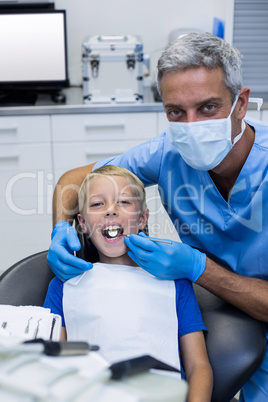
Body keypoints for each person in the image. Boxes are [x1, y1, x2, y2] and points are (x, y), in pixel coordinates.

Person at [47, 32, 268, 401]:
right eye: (176, 113)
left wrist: (199, 269)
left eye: (209, 107)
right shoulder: (168, 153)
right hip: (224, 308)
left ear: (241, 104)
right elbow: (72, 181)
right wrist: (59, 229)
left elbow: (199, 370)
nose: (192, 126)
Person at [44, 165, 213, 401]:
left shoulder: (175, 284)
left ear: (143, 218)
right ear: (82, 223)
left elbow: (199, 367)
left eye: (123, 202)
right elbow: (52, 367)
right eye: (97, 204)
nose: (110, 211)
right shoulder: (63, 287)